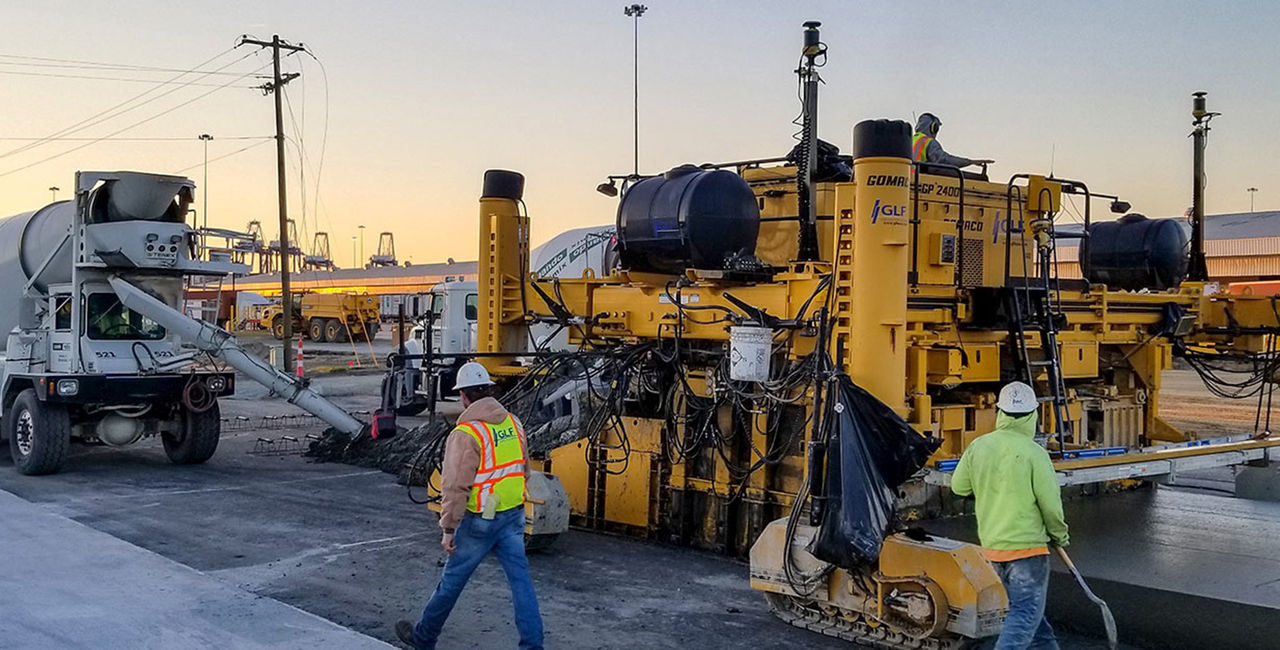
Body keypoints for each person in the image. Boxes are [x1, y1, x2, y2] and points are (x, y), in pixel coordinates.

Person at [396, 362, 544, 650]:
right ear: (488, 390)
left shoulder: (467, 433)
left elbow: (455, 485)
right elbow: (524, 469)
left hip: (481, 521)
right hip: (513, 514)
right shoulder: (513, 423)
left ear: (463, 396)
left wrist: (448, 528)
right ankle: (533, 646)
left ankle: (424, 638)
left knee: (452, 582)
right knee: (522, 585)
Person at [951, 381, 1069, 650]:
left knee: (1032, 618)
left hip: (994, 551)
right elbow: (1051, 506)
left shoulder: (979, 446)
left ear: (1000, 412)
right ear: (1032, 415)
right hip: (1027, 551)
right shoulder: (1035, 454)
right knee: (1025, 614)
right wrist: (1060, 536)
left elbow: (959, 487)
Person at [912, 113, 994, 168]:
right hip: (918, 181)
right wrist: (970, 162)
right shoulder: (928, 142)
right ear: (934, 128)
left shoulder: (910, 140)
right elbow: (945, 161)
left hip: (909, 179)